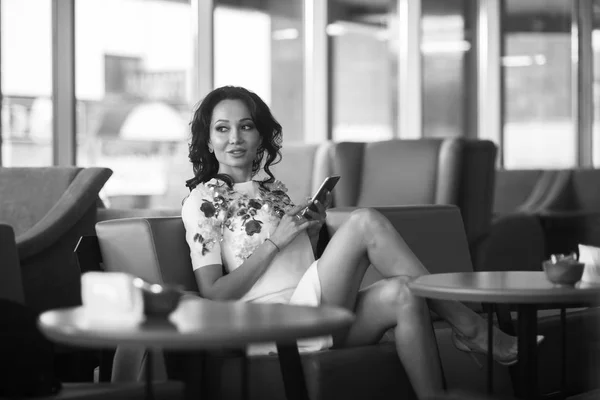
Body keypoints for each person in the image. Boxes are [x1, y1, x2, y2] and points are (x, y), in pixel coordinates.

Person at [181, 86, 522, 399]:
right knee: (364, 222)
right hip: (273, 326)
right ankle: (469, 326)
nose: (235, 138)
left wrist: (311, 234)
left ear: (259, 137)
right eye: (222, 128)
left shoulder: (276, 193)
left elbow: (298, 269)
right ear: (209, 141)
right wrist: (274, 242)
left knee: (404, 291)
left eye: (246, 126)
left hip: (316, 310)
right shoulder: (203, 201)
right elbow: (214, 292)